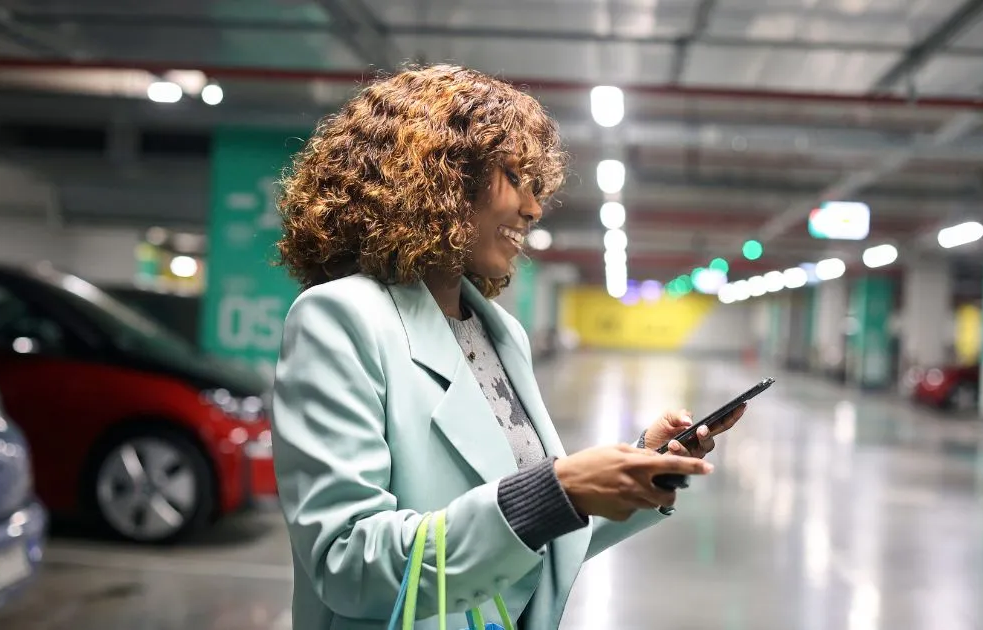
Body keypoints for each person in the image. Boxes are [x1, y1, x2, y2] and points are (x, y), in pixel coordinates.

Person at [271, 64, 746, 630]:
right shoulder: (342, 318)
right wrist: (558, 488)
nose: (534, 207)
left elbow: (530, 535)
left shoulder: (499, 332)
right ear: (440, 178)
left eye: (536, 185)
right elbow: (347, 562)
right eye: (515, 178)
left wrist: (640, 464)